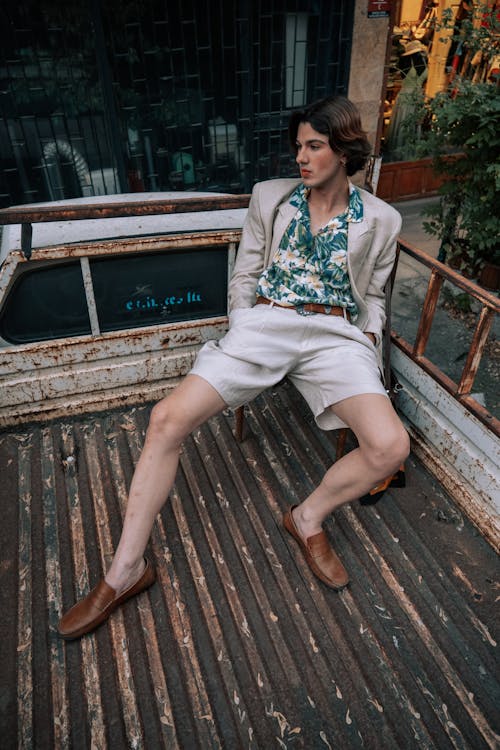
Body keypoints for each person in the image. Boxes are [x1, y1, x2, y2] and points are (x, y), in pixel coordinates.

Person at [58, 95, 410, 640]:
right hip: (266, 326)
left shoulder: (383, 219)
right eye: (298, 146)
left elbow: (375, 296)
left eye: (314, 146)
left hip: (336, 336)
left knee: (391, 447)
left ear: (344, 150)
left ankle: (307, 517)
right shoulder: (271, 198)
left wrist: (364, 339)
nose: (301, 157)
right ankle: (124, 572)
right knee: (166, 420)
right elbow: (245, 272)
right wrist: (245, 324)